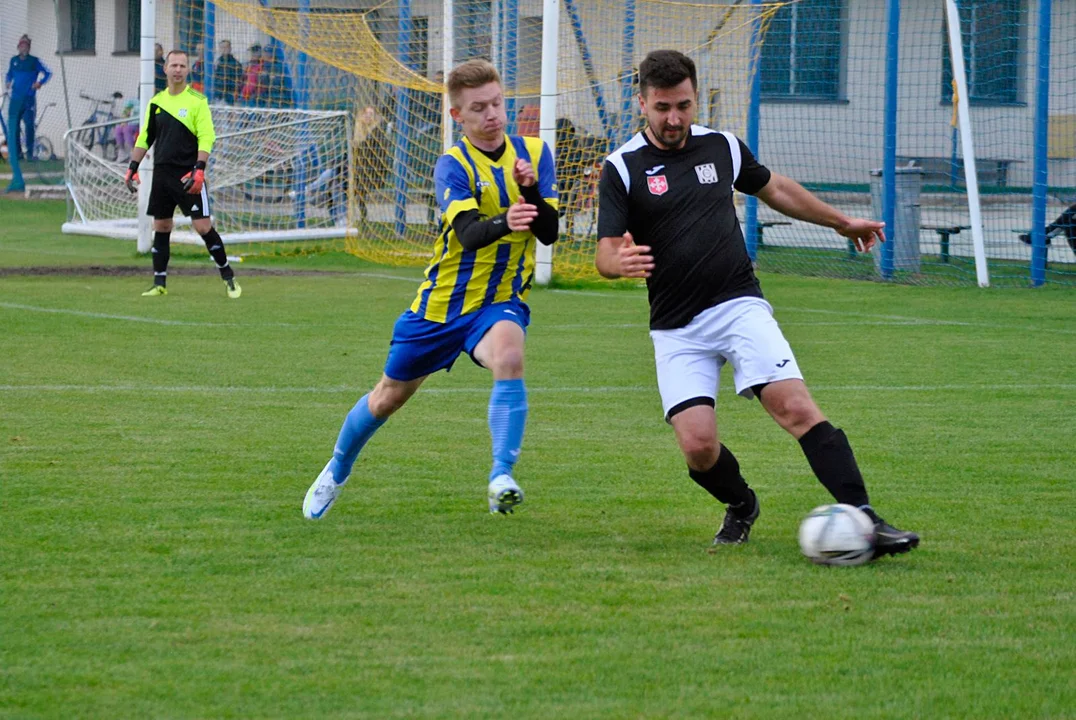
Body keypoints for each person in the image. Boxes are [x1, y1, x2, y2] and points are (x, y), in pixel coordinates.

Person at [595, 49, 919, 557]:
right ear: (641, 103)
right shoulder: (621, 167)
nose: (674, 118)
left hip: (737, 303)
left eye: (683, 104)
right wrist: (621, 263)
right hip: (676, 327)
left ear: (695, 96)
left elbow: (777, 189)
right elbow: (606, 251)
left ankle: (867, 520)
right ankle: (742, 505)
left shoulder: (722, 146)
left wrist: (841, 222)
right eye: (662, 107)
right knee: (698, 447)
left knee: (794, 406)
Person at [302, 59, 559, 520]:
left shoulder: (536, 154)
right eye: (478, 108)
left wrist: (532, 193)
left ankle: (502, 476)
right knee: (386, 398)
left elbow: (551, 233)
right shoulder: (452, 165)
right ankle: (336, 470)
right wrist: (508, 219)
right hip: (439, 307)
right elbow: (468, 234)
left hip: (498, 303)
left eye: (497, 103)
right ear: (458, 116)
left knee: (510, 355)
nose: (493, 115)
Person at [124, 49, 241, 299]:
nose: (177, 69)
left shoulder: (197, 101)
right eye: (173, 65)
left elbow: (207, 137)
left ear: (188, 70)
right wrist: (132, 167)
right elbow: (145, 137)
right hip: (162, 174)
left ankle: (228, 277)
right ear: (165, 69)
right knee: (162, 225)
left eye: (182, 65)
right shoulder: (157, 102)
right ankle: (159, 284)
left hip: (189, 174)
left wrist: (200, 169)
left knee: (202, 227)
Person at [4, 35, 52, 161]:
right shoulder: (13, 60)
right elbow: (9, 74)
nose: (23, 48)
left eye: (26, 46)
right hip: (15, 99)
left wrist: (39, 83)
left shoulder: (34, 61)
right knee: (14, 126)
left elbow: (48, 73)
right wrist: (8, 81)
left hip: (28, 99)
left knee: (29, 125)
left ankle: (30, 154)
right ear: (18, 47)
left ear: (29, 48)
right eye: (21, 46)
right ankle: (18, 153)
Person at [211, 40, 244, 105]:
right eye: (222, 47)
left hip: (230, 94)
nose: (224, 49)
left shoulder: (236, 64)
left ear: (230, 48)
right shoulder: (217, 62)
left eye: (226, 47)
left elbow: (239, 80)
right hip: (218, 94)